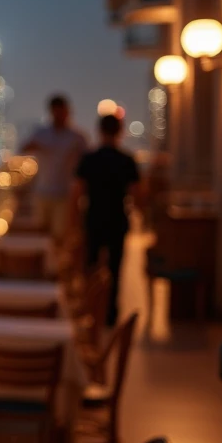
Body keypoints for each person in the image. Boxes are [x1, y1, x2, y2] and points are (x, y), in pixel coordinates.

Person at [72, 114, 143, 327]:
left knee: (91, 266)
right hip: (117, 220)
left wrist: (74, 224)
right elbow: (138, 195)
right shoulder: (127, 160)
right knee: (115, 268)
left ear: (99, 130)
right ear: (120, 131)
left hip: (93, 218)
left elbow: (76, 194)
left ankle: (91, 311)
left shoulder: (89, 158)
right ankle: (110, 315)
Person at [21, 95, 88, 242]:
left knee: (60, 236)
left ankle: (53, 263)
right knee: (40, 233)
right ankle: (46, 263)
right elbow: (23, 148)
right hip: (42, 192)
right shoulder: (41, 133)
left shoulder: (76, 138)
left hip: (64, 194)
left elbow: (86, 164)